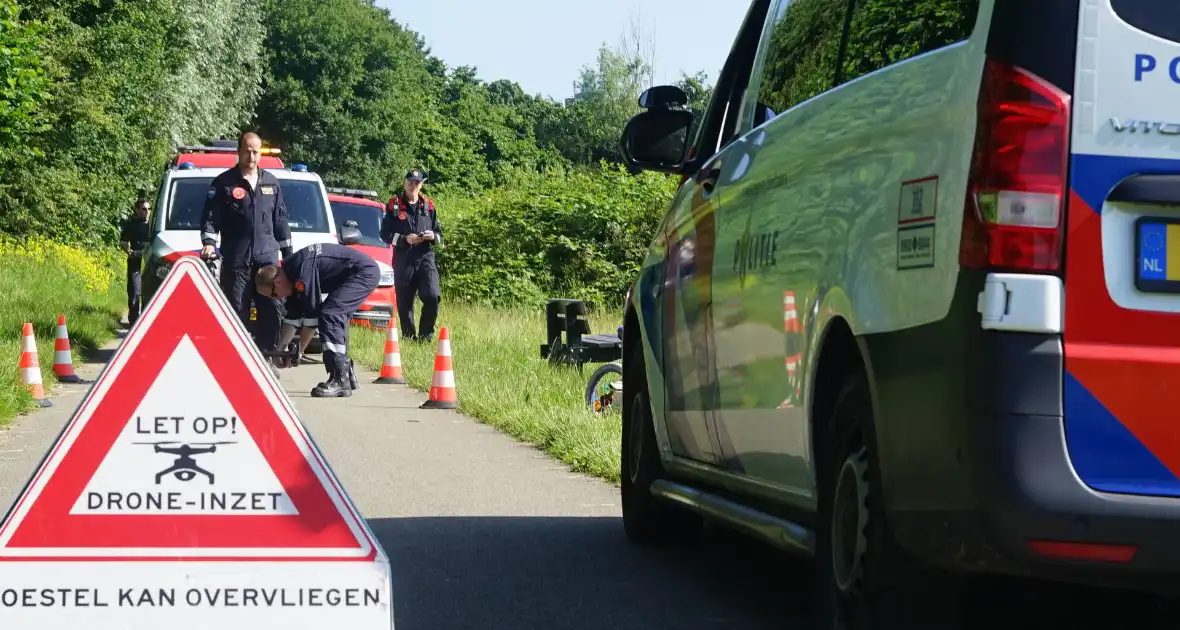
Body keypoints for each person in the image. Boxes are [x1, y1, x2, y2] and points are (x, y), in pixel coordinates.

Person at [199, 132, 293, 359]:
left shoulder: (272, 182)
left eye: (255, 151)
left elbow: (280, 221)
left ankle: (266, 358)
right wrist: (209, 244)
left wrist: (288, 256)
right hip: (237, 260)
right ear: (239, 151)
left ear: (260, 153)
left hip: (267, 260)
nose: (251, 156)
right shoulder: (223, 184)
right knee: (236, 311)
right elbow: (210, 219)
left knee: (272, 310)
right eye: (247, 150)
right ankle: (235, 360)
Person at [256, 242, 380, 398]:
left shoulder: (301, 274)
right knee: (334, 313)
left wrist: (299, 351)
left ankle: (340, 379)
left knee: (330, 314)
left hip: (363, 273)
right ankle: (346, 374)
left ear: (277, 282)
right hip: (356, 273)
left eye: (273, 294)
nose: (277, 298)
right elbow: (293, 318)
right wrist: (280, 352)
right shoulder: (290, 274)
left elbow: (311, 318)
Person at [380, 168, 443, 342]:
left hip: (425, 257)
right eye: (410, 182)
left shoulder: (428, 206)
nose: (413, 186)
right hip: (403, 259)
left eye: (417, 183)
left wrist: (432, 237)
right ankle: (408, 337)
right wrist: (405, 239)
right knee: (405, 303)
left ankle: (425, 336)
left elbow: (440, 235)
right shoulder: (394, 205)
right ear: (404, 183)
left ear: (421, 185)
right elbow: (384, 234)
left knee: (432, 295)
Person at [119, 196, 152, 327]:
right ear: (137, 210)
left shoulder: (154, 225)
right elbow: (123, 242)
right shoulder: (131, 225)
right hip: (135, 261)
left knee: (148, 290)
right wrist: (130, 252)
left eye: (149, 209)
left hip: (150, 261)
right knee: (134, 291)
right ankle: (133, 321)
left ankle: (146, 321)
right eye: (144, 209)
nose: (147, 211)